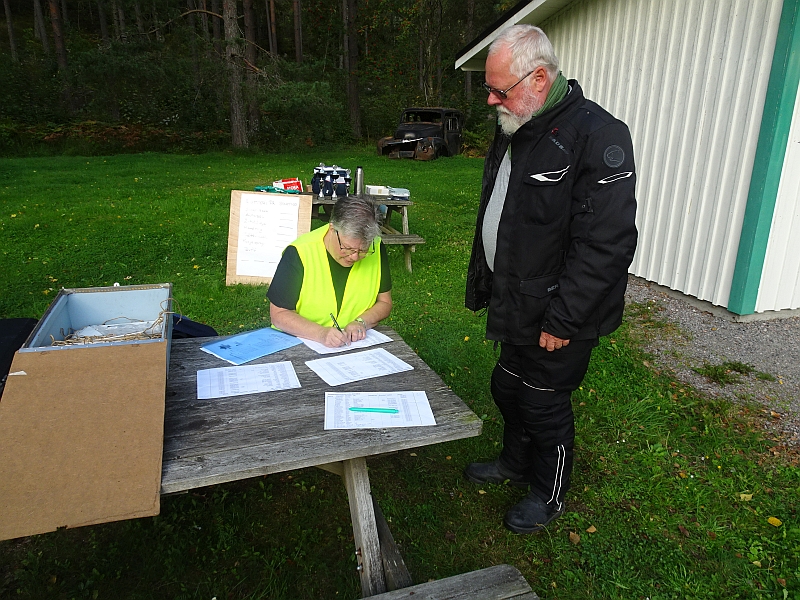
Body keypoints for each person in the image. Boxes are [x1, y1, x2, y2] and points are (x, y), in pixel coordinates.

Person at [464, 24, 638, 534]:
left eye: (500, 89)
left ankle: (548, 492)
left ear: (538, 79)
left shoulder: (598, 135)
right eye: (489, 88)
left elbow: (607, 243)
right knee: (507, 386)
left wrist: (564, 319)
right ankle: (514, 463)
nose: (492, 100)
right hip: (518, 295)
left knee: (542, 402)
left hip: (562, 310)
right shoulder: (518, 122)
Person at [269, 195, 392, 347]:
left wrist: (361, 322)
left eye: (363, 250)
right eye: (347, 248)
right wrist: (320, 333)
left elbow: (385, 302)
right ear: (332, 229)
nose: (354, 256)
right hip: (299, 342)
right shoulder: (299, 252)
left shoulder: (377, 247)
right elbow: (279, 314)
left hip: (353, 346)